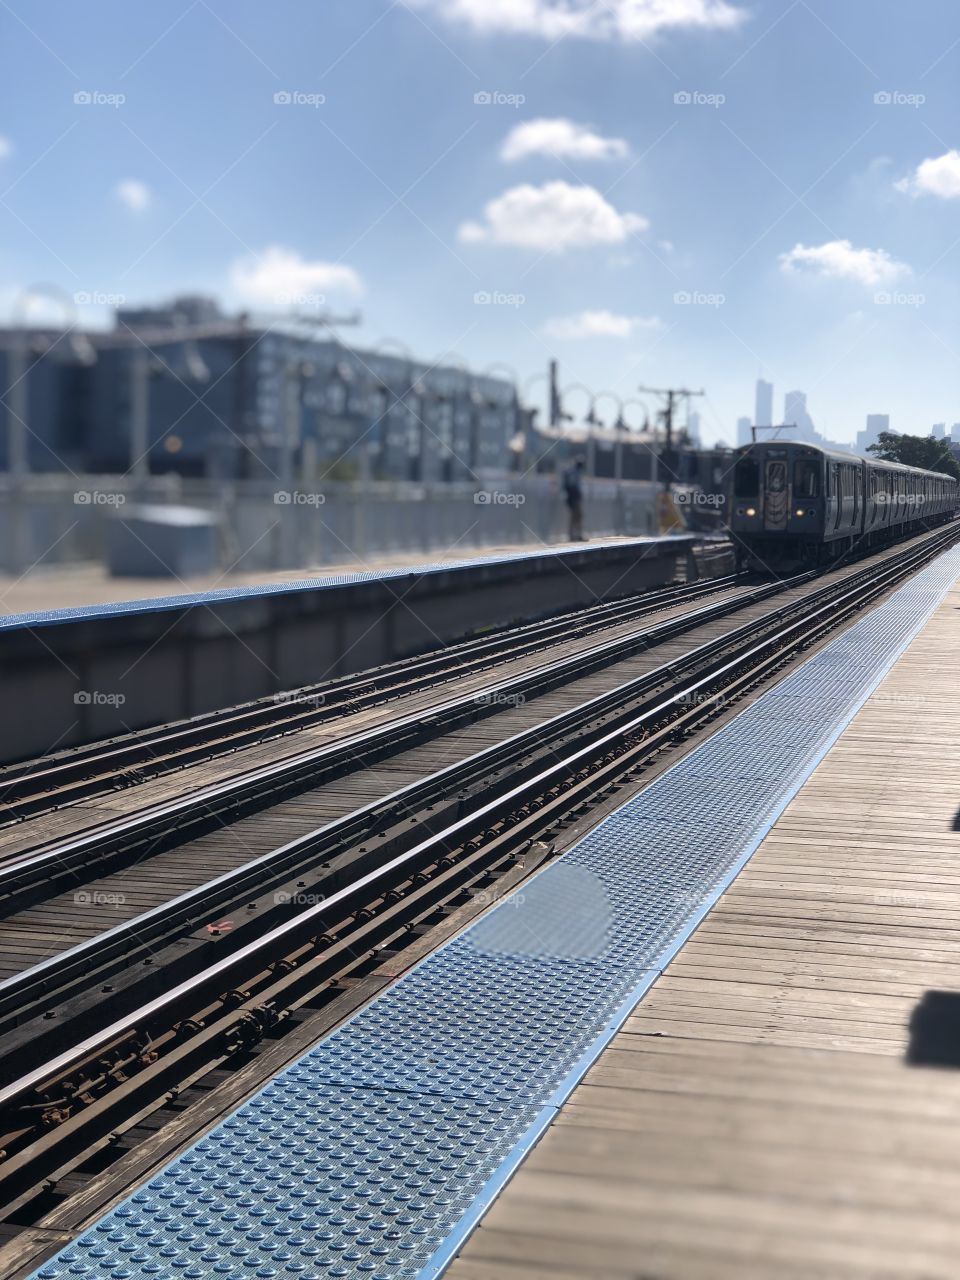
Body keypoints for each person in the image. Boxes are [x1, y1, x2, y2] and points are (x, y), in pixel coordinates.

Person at [562, 457, 586, 541]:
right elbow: (574, 486)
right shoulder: (575, 473)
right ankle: (575, 535)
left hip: (572, 497)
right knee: (577, 516)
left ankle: (573, 535)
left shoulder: (572, 472)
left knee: (575, 516)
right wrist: (577, 495)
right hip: (574, 498)